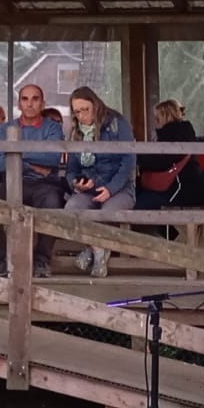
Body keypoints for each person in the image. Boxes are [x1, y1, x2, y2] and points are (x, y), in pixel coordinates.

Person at [0, 85, 65, 278]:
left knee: (53, 204)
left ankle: (41, 261)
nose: (30, 103)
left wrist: (16, 153)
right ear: (19, 104)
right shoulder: (4, 129)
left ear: (43, 103)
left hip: (45, 185)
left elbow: (52, 159)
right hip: (11, 183)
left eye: (35, 99)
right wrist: (32, 163)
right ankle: (1, 261)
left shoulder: (53, 128)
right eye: (25, 99)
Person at [64, 86, 136, 278]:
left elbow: (128, 161)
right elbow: (71, 169)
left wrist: (111, 189)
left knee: (107, 213)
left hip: (119, 186)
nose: (81, 115)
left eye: (85, 110)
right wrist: (76, 183)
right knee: (72, 209)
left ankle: (91, 252)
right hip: (89, 187)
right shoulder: (75, 132)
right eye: (77, 111)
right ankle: (97, 251)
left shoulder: (117, 124)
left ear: (95, 105)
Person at [135, 99, 198, 210]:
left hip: (176, 189)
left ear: (165, 116)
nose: (155, 121)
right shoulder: (181, 133)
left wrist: (138, 158)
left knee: (137, 204)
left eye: (157, 118)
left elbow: (162, 161)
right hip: (180, 187)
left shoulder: (174, 135)